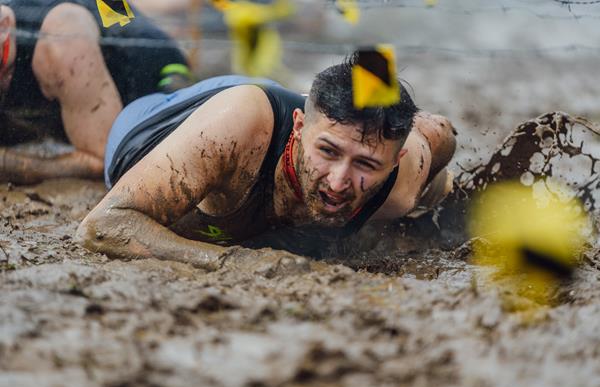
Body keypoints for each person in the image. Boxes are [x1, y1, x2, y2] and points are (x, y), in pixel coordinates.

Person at [75, 54, 456, 266]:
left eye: (366, 165)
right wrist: (231, 263)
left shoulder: (401, 182)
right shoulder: (234, 133)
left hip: (291, 112)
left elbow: (440, 133)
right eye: (328, 152)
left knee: (430, 194)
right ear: (299, 127)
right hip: (153, 122)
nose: (339, 182)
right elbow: (101, 226)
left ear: (395, 161)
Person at [0, 0, 192, 184]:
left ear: (4, 27)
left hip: (163, 75)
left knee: (163, 155)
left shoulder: (62, 43)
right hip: (102, 28)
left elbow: (107, 161)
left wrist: (14, 165)